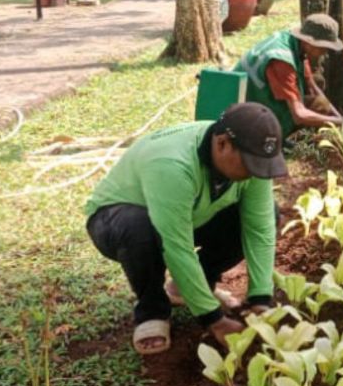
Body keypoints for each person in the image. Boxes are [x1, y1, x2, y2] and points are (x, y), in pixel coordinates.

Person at [84, 103, 287, 355]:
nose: (256, 172)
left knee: (270, 214)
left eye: (263, 165)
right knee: (138, 228)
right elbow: (176, 246)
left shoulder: (251, 162)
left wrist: (260, 300)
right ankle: (152, 310)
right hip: (116, 218)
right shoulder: (172, 165)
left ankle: (188, 286)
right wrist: (214, 320)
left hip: (188, 215)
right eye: (251, 164)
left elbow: (259, 228)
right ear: (222, 143)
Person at [236, 13, 343, 139]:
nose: (325, 53)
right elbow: (299, 115)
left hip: (261, 98)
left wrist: (339, 119)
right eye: (323, 47)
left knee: (321, 102)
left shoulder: (295, 44)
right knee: (309, 114)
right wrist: (339, 122)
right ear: (308, 42)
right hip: (247, 113)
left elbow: (313, 87)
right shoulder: (282, 60)